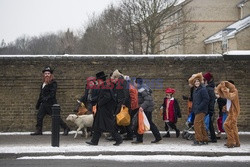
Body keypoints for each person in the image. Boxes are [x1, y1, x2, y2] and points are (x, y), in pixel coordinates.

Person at [86, 71, 123, 146]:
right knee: (97, 124)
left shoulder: (105, 85)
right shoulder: (108, 84)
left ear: (100, 80)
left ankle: (118, 138)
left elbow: (107, 97)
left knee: (109, 125)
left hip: (105, 109)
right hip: (105, 108)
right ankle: (94, 141)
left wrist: (99, 103)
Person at [31, 66, 70, 135]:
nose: (47, 75)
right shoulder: (43, 84)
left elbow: (53, 93)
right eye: (45, 74)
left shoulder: (53, 83)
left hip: (51, 104)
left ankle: (66, 128)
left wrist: (46, 98)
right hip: (43, 104)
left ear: (51, 75)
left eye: (48, 73)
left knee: (56, 118)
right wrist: (38, 103)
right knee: (39, 116)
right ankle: (39, 130)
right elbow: (41, 94)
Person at [132, 78, 162, 144]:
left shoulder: (142, 90)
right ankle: (157, 137)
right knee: (146, 123)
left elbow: (148, 100)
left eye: (134, 83)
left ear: (137, 83)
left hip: (146, 109)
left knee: (143, 123)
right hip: (146, 108)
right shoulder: (142, 88)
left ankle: (140, 139)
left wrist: (142, 107)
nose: (134, 84)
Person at [216, 80, 240, 148]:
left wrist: (223, 88)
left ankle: (231, 141)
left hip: (234, 112)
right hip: (230, 112)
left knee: (226, 125)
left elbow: (230, 97)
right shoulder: (230, 92)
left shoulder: (234, 91)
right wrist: (225, 107)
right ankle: (236, 142)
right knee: (233, 127)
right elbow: (228, 101)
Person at [188, 72, 209, 145]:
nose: (196, 83)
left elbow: (206, 99)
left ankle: (198, 139)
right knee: (202, 124)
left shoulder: (203, 89)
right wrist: (193, 109)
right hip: (197, 110)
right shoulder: (195, 90)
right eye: (195, 82)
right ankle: (205, 138)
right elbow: (194, 101)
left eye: (198, 81)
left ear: (200, 81)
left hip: (201, 110)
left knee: (196, 124)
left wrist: (199, 107)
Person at [203, 72, 217, 143]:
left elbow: (211, 100)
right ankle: (213, 137)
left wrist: (210, 110)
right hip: (208, 108)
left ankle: (213, 138)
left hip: (208, 109)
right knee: (210, 123)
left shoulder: (209, 89)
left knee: (209, 123)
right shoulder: (208, 88)